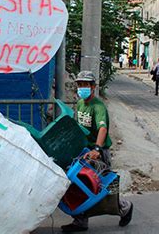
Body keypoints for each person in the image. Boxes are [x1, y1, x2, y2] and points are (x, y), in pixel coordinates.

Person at [61, 71, 133, 233]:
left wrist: (97, 149)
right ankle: (80, 221)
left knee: (101, 188)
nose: (82, 88)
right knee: (80, 186)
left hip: (98, 151)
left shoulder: (98, 106)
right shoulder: (80, 103)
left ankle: (125, 208)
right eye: (80, 85)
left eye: (85, 85)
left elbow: (102, 128)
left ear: (93, 87)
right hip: (84, 151)